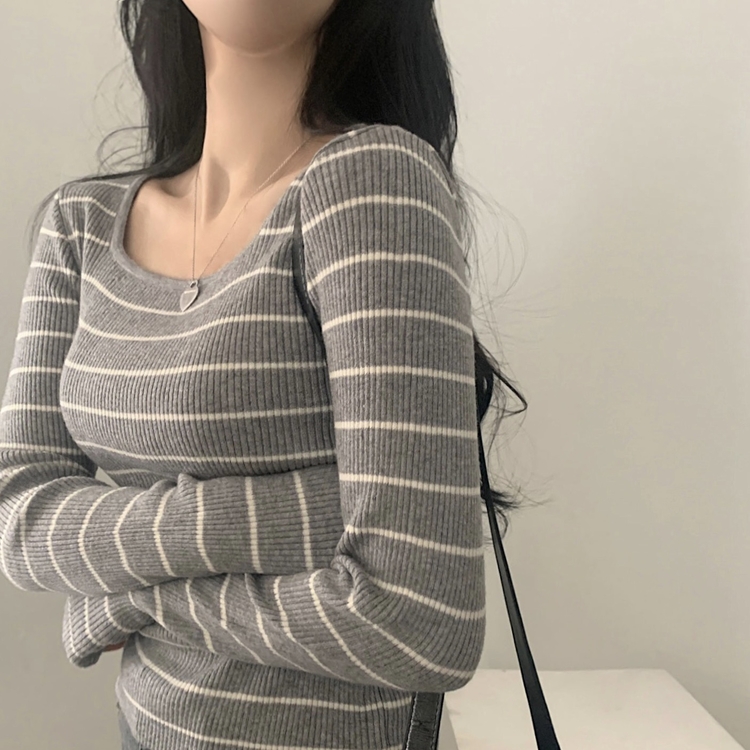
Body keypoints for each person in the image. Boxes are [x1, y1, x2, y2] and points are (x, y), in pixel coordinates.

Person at [1, 1, 526, 748]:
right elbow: (20, 518)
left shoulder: (371, 180)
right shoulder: (80, 225)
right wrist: (312, 508)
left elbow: (421, 623)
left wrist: (133, 601)